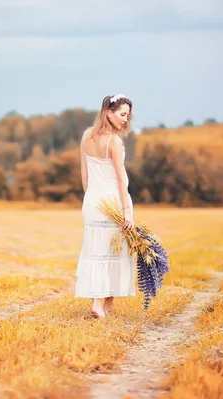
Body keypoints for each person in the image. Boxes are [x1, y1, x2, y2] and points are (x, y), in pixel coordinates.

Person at [74, 94, 137, 319]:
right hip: (112, 201)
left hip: (92, 201)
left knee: (95, 251)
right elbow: (122, 180)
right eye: (122, 114)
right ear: (109, 113)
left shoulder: (86, 137)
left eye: (128, 115)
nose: (125, 120)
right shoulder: (114, 142)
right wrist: (127, 211)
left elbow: (85, 174)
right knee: (114, 251)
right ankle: (103, 305)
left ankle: (99, 304)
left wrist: (90, 198)